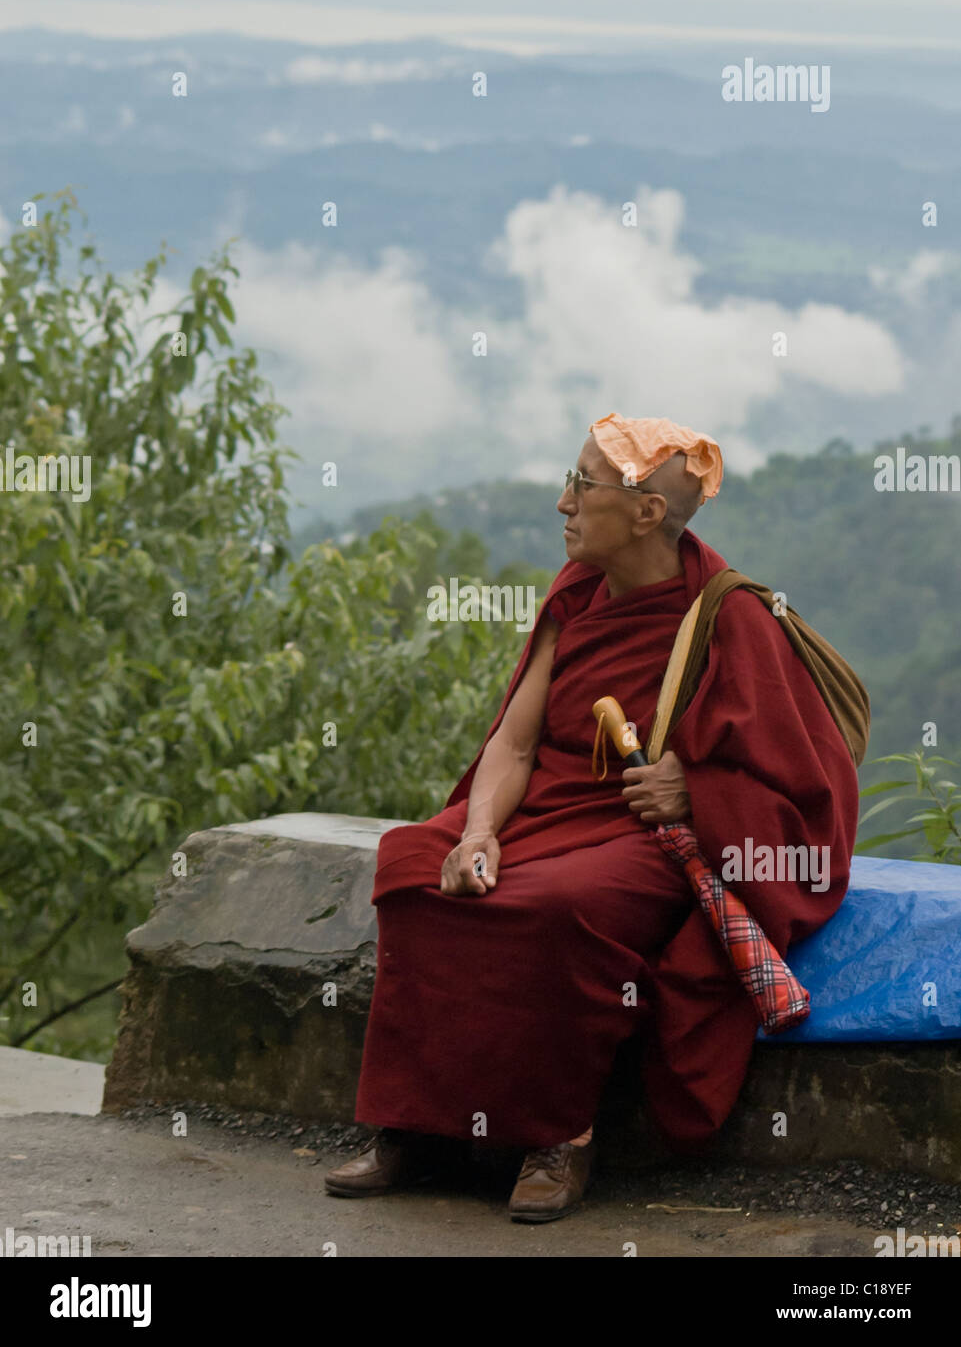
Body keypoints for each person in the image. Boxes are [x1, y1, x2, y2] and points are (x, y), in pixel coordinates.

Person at [324, 413, 861, 1222]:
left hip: (639, 834)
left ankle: (559, 1138)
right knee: (412, 865)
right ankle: (417, 1128)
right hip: (547, 806)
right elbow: (513, 742)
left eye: (582, 484)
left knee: (556, 906)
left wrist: (698, 789)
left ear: (646, 511)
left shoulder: (730, 614)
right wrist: (477, 833)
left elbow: (807, 784)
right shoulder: (574, 594)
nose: (561, 503)